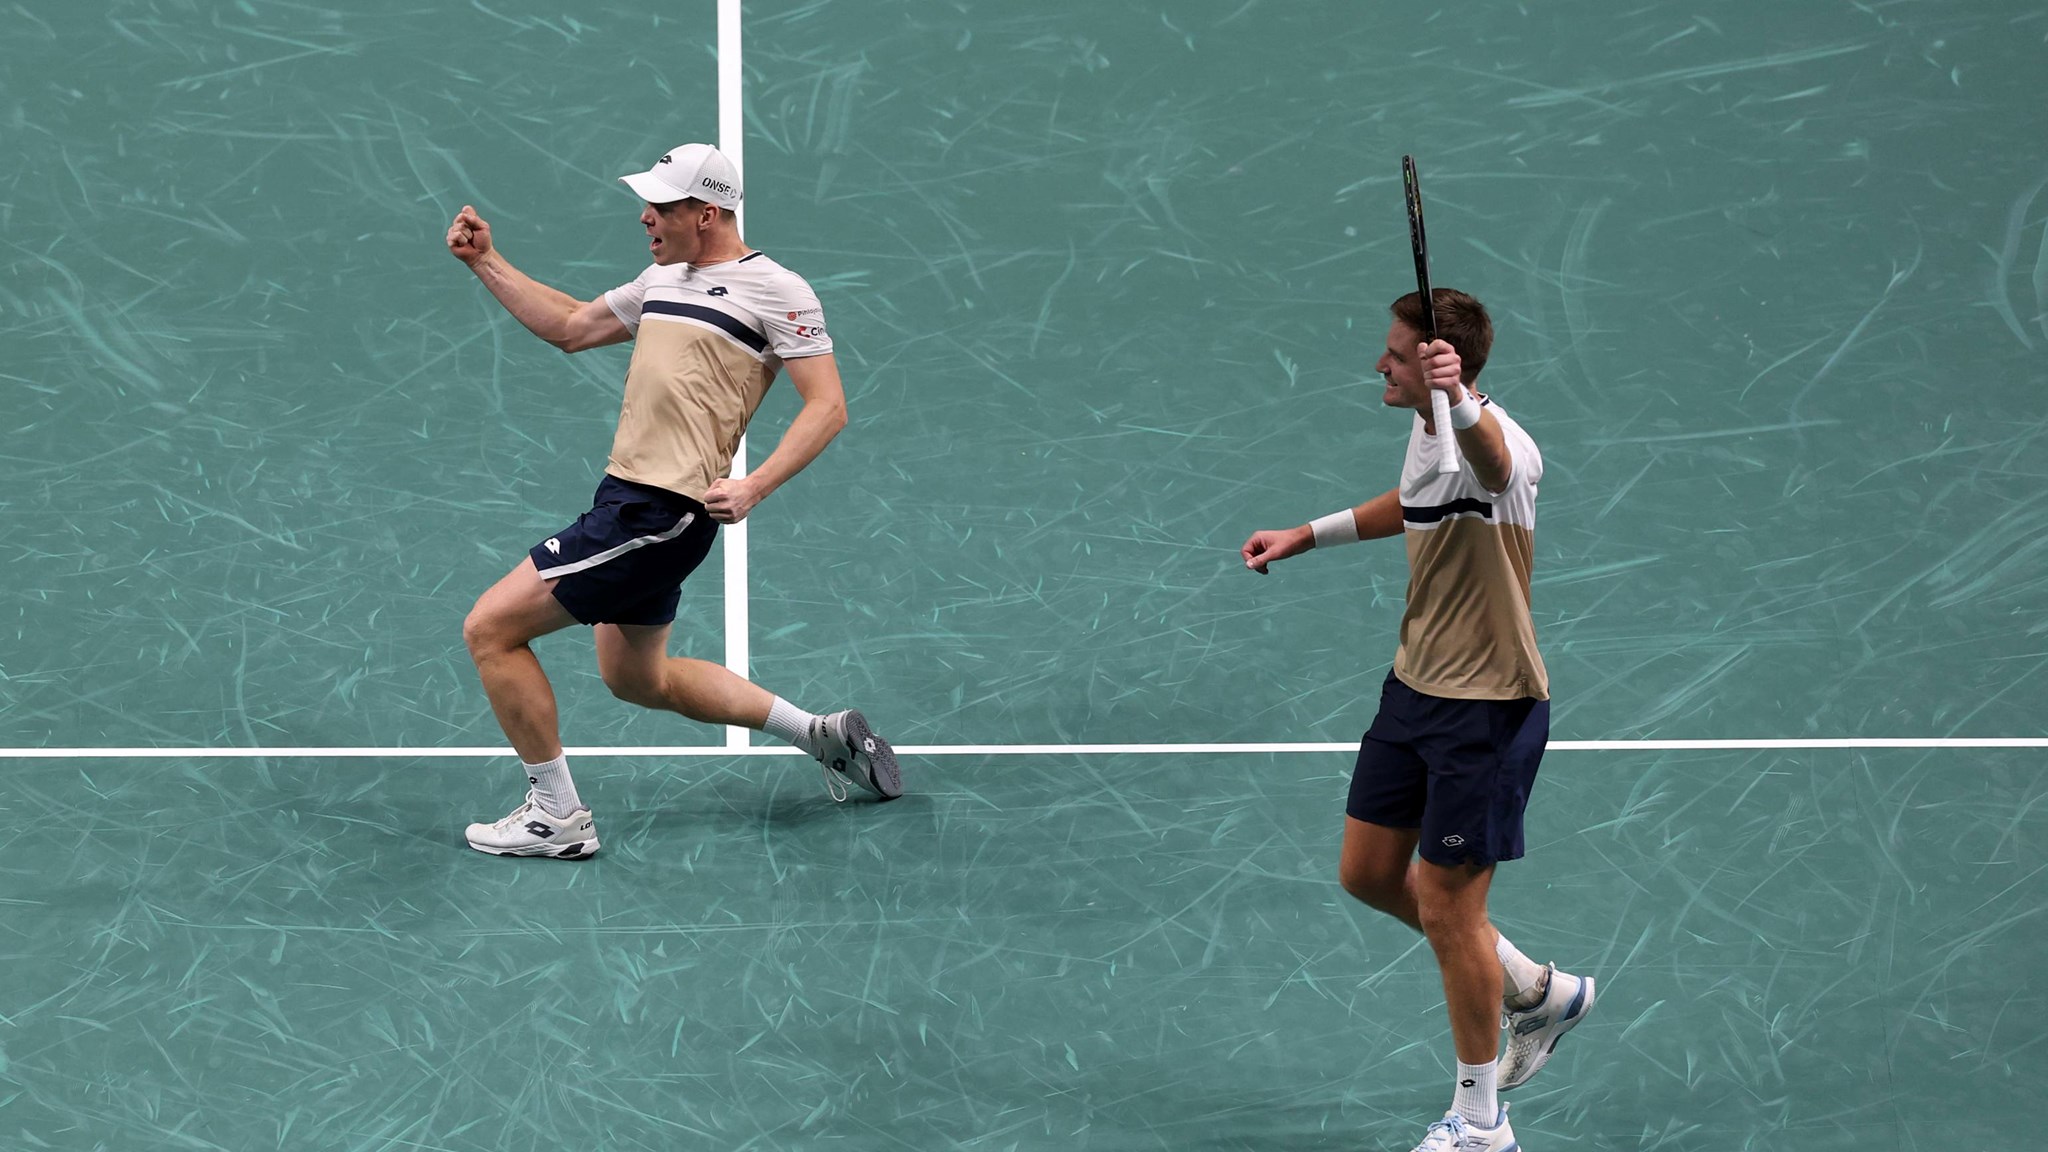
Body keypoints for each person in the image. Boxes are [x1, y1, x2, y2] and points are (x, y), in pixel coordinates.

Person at [444, 142, 901, 859]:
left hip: (657, 513)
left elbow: (828, 406)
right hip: (630, 501)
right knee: (638, 679)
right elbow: (572, 326)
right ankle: (819, 732)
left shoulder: (777, 290)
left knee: (490, 630)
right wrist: (485, 262)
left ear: (706, 212)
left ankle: (555, 816)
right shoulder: (665, 279)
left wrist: (754, 484)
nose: (645, 216)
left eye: (661, 205)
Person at [1240, 289, 1593, 1151]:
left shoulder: (1499, 441)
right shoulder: (1430, 432)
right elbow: (1417, 498)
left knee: (1447, 911)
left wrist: (1460, 397)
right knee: (1366, 874)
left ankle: (1482, 1122)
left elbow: (1495, 466)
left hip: (1489, 709)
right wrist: (1306, 534)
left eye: (1397, 356)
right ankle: (1534, 988)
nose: (1381, 365)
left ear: (1447, 369)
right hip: (1415, 691)